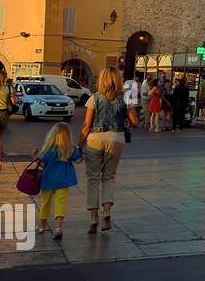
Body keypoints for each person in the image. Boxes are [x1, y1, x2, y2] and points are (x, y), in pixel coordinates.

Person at [82, 67, 137, 234]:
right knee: (109, 177)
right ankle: (107, 212)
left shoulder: (94, 98)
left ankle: (93, 217)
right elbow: (134, 122)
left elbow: (86, 126)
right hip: (116, 138)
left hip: (95, 138)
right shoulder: (125, 99)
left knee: (93, 178)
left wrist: (79, 144)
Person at [34, 123, 82, 240]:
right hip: (63, 181)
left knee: (45, 203)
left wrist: (35, 156)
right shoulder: (70, 149)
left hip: (48, 181)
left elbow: (42, 164)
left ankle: (41, 226)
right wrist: (81, 152)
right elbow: (79, 160)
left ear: (53, 135)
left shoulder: (48, 149)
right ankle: (58, 228)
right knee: (60, 204)